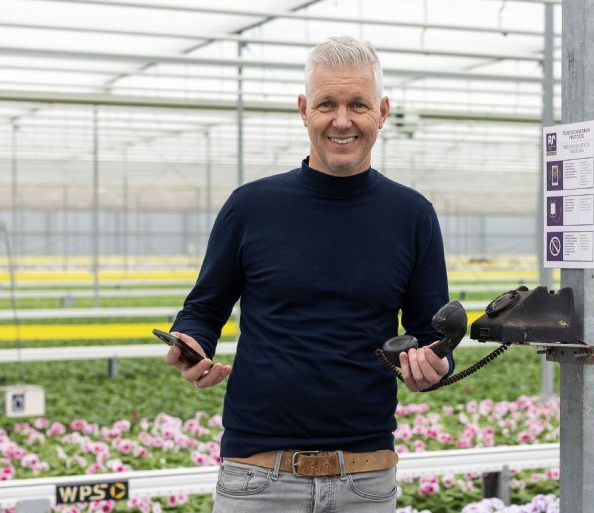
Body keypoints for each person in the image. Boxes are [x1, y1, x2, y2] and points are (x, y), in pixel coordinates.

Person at [166, 35, 452, 513]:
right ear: (304, 109)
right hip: (257, 478)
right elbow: (204, 309)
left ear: (382, 111)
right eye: (327, 104)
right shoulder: (251, 207)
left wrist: (433, 367)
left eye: (358, 104)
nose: (342, 120)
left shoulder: (412, 215)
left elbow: (429, 333)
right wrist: (192, 343)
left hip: (365, 481)